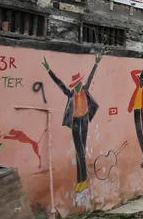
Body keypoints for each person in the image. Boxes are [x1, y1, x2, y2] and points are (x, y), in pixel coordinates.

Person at [43, 53, 102, 193]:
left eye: (80, 83)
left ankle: (82, 181)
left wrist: (96, 63)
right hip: (75, 122)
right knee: (79, 151)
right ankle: (81, 181)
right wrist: (48, 70)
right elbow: (59, 83)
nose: (80, 85)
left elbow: (91, 77)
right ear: (75, 85)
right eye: (77, 84)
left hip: (84, 121)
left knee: (81, 150)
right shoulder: (70, 94)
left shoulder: (85, 91)